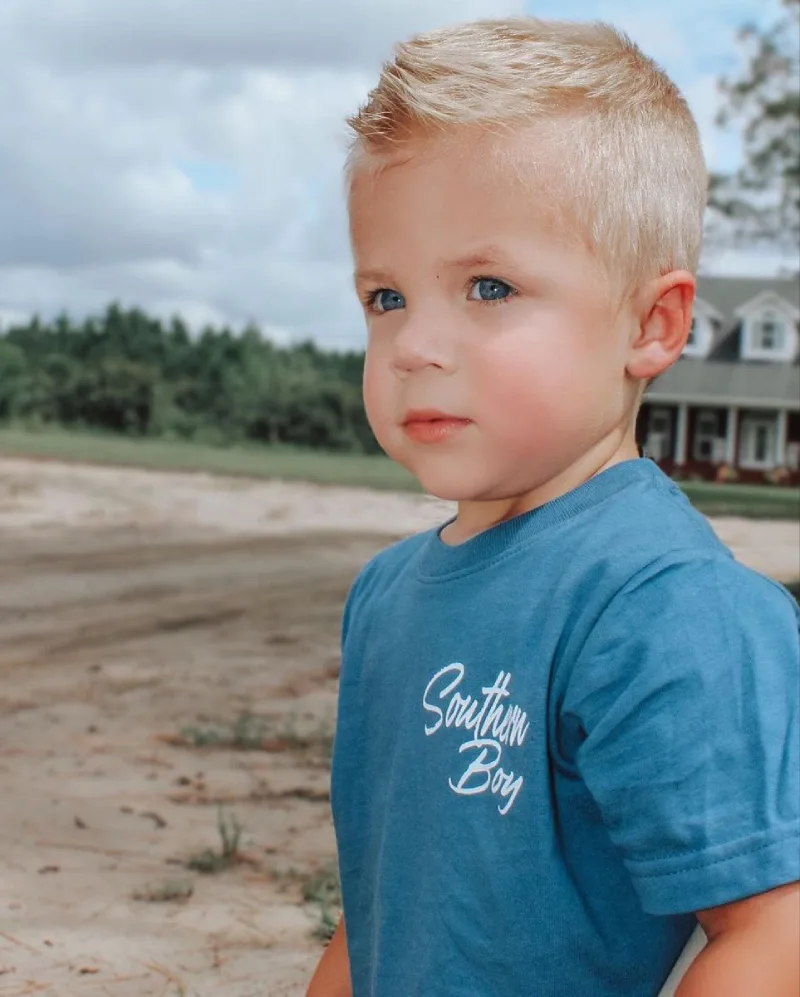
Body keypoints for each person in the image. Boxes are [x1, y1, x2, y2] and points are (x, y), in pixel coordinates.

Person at [307, 17, 800, 997]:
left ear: (650, 322)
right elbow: (380, 904)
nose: (413, 346)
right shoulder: (387, 592)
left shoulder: (666, 610)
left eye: (487, 286)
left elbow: (770, 933)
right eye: (385, 297)